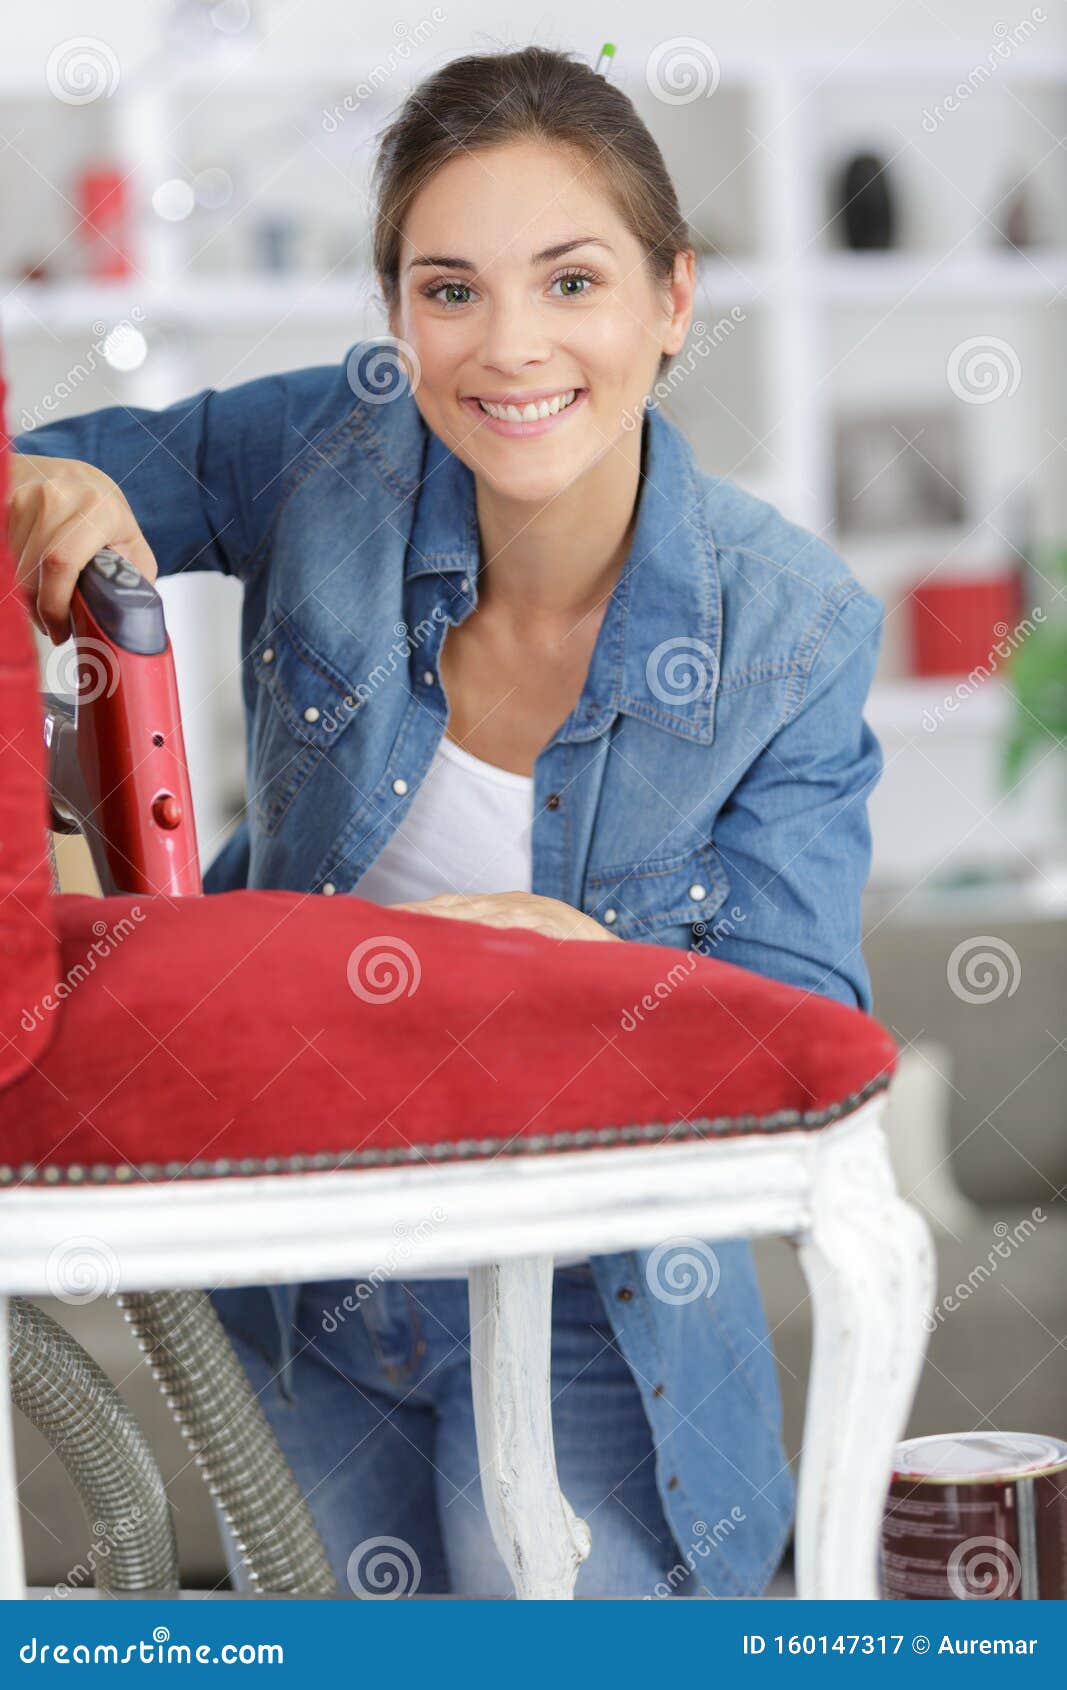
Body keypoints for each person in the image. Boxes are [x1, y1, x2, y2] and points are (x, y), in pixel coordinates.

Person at [6, 45, 884, 1598]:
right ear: (399, 316)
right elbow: (41, 469)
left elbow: (803, 1023)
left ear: (672, 302)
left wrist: (585, 958)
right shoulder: (324, 453)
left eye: (571, 280)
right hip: (310, 1261)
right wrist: (41, 498)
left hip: (602, 1300)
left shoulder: (792, 629)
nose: (510, 345)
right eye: (450, 289)